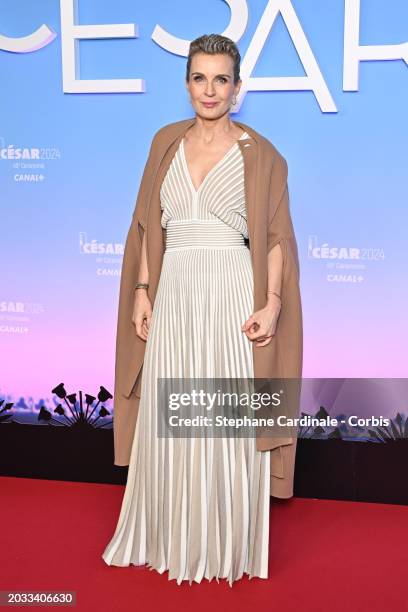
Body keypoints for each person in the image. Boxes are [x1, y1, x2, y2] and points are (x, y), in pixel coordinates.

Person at [102, 33, 302, 586]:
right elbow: (149, 223)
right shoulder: (165, 140)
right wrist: (143, 289)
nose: (209, 90)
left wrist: (272, 302)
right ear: (186, 83)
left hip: (231, 294)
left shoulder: (262, 154)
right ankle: (166, 534)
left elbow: (275, 239)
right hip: (175, 294)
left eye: (221, 79)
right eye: (199, 78)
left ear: (237, 89)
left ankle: (223, 544)